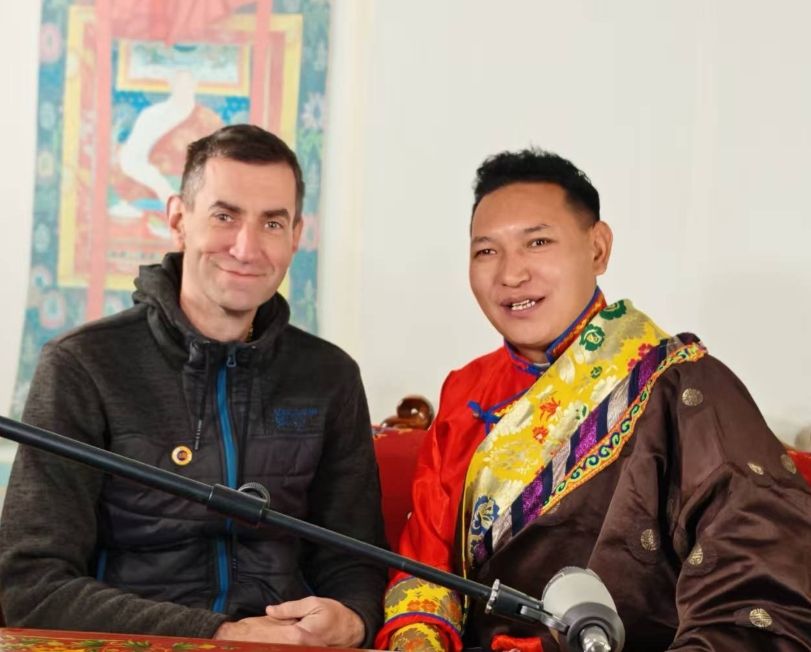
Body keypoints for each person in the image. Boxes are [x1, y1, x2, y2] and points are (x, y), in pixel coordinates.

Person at [375, 149, 811, 651]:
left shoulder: (681, 383)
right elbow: (425, 570)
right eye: (486, 251)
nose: (511, 274)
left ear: (598, 249)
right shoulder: (466, 393)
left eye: (537, 242)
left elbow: (755, 572)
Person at [0, 124, 387, 648]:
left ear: (296, 235)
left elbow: (357, 560)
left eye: (272, 223)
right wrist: (221, 634)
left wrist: (354, 618)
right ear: (179, 219)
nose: (247, 248)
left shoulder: (330, 375)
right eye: (225, 216)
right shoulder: (82, 365)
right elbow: (32, 585)